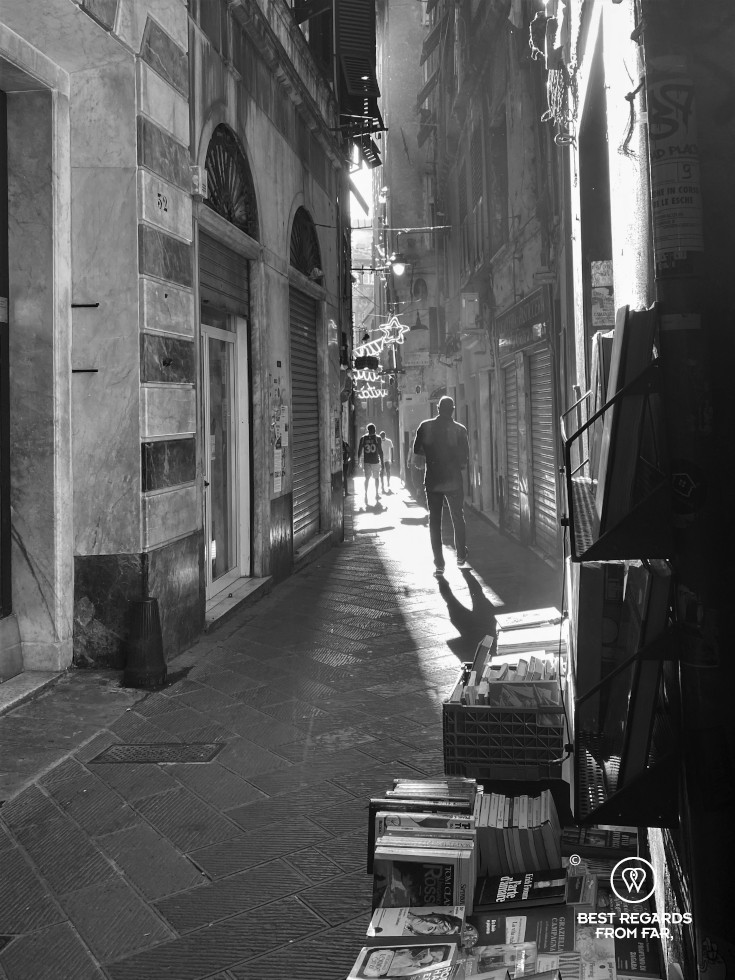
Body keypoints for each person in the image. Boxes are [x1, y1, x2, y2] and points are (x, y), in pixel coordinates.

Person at [413, 395, 469, 576]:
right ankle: (461, 555)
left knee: (435, 522)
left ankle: (439, 563)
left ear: (437, 409)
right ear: (452, 410)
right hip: (453, 481)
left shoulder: (425, 426)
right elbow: (463, 461)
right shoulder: (460, 430)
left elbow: (418, 452)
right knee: (457, 517)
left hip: (433, 481)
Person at [357, 422, 383, 506]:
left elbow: (359, 450)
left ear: (368, 430)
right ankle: (376, 493)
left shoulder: (363, 438)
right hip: (375, 461)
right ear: (374, 430)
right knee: (376, 478)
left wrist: (358, 461)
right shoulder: (378, 438)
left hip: (367, 461)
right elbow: (380, 451)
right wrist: (382, 461)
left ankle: (365, 493)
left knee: (367, 478)